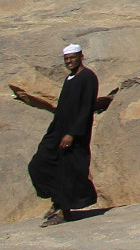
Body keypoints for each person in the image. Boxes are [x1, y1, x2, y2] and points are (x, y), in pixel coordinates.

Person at [29, 44, 99, 227]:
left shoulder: (88, 77)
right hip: (59, 132)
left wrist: (72, 134)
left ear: (81, 57)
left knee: (68, 172)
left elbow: (85, 108)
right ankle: (58, 201)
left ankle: (63, 210)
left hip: (75, 135)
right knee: (39, 163)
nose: (69, 62)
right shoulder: (70, 78)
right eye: (66, 59)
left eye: (72, 58)